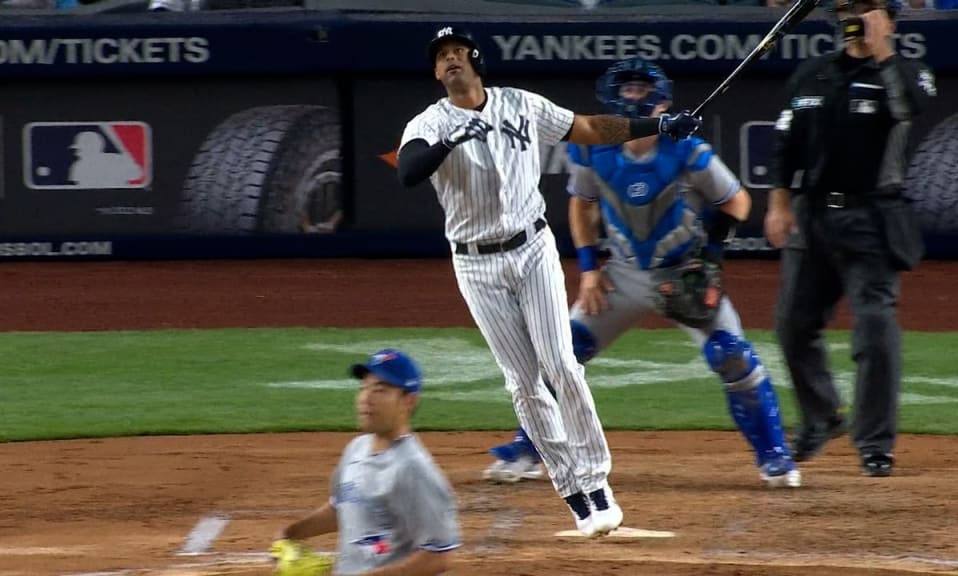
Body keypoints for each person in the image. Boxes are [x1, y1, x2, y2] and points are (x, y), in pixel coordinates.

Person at [396, 26, 700, 537]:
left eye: (456, 53)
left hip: (533, 249)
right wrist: (447, 140)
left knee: (561, 363)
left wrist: (661, 124)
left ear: (475, 61)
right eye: (440, 57)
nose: (449, 61)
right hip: (476, 266)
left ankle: (596, 481)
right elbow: (408, 171)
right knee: (523, 382)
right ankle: (572, 492)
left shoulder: (521, 105)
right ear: (435, 72)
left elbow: (591, 128)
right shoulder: (428, 123)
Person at [484, 57, 802, 490]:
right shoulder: (593, 147)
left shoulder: (687, 149)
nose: (633, 97)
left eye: (641, 90)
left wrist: (709, 259)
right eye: (626, 90)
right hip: (623, 274)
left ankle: (775, 457)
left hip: (681, 274)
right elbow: (582, 204)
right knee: (564, 354)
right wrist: (590, 270)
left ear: (661, 104)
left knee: (732, 356)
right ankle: (529, 449)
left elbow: (738, 203)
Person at [765, 0, 935, 477]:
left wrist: (882, 51)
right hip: (811, 215)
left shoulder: (908, 73)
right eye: (845, 10)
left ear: (888, 18)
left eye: (864, 8)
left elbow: (908, 109)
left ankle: (875, 443)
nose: (852, 18)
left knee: (875, 332)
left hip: (873, 219)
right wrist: (779, 203)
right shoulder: (813, 74)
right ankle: (820, 417)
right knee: (792, 326)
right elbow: (786, 141)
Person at [271, 349, 460, 576]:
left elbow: (439, 557)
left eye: (380, 390)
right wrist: (291, 533)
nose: (366, 398)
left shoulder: (414, 470)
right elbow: (343, 507)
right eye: (364, 388)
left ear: (409, 401)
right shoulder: (356, 448)